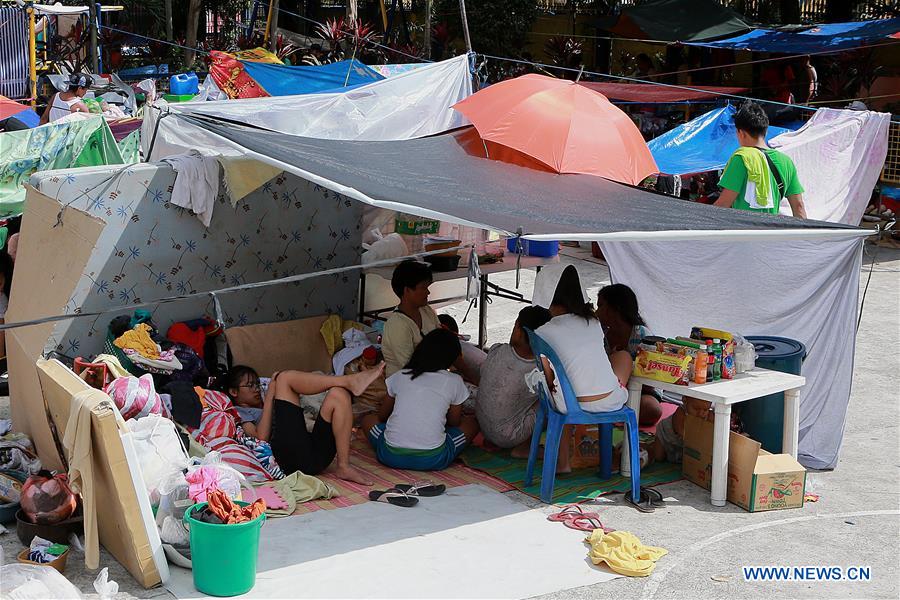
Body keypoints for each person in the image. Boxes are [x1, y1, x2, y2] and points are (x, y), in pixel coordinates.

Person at [533, 265, 633, 473]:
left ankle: (562, 463)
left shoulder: (542, 332)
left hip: (569, 404)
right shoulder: (593, 323)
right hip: (608, 401)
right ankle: (602, 461)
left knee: (564, 391)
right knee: (623, 357)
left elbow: (550, 380)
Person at [232, 363, 385, 485]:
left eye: (257, 384)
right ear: (233, 392)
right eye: (249, 385)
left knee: (339, 394)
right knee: (284, 378)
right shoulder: (239, 411)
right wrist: (271, 395)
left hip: (313, 457)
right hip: (287, 460)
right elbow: (261, 438)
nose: (256, 389)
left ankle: (343, 466)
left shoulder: (266, 403)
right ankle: (349, 381)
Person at [361, 329, 479, 470]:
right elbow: (454, 422)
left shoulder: (401, 375)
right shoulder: (454, 381)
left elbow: (381, 416)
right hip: (433, 458)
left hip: (390, 455)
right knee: (472, 423)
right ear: (452, 357)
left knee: (368, 419)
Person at [475, 305, 552, 456]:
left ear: (519, 330)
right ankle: (524, 447)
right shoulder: (539, 369)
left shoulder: (497, 349)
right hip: (508, 437)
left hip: (483, 427)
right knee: (553, 399)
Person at [714, 101, 807, 218]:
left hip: (742, 227)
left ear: (740, 133)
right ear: (766, 131)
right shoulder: (786, 161)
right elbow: (799, 207)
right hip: (772, 228)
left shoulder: (742, 158)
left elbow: (723, 205)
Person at [595, 284, 662, 427]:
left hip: (641, 392)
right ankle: (617, 414)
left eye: (600, 306)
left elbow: (650, 383)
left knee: (652, 408)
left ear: (615, 309)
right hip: (608, 391)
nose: (596, 311)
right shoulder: (600, 334)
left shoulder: (642, 335)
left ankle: (614, 415)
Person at [382, 260, 441, 377]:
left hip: (431, 374)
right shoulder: (397, 325)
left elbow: (441, 342)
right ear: (407, 290)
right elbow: (411, 368)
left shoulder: (426, 311)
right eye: (423, 287)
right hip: (406, 381)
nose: (428, 292)